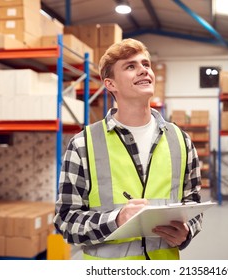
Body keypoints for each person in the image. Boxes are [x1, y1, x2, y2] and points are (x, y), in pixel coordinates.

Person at [53, 38, 203, 260]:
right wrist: (118, 219)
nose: (143, 70)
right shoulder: (83, 144)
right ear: (110, 84)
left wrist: (187, 231)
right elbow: (65, 222)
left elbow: (194, 204)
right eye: (131, 66)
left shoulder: (180, 140)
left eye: (146, 64)